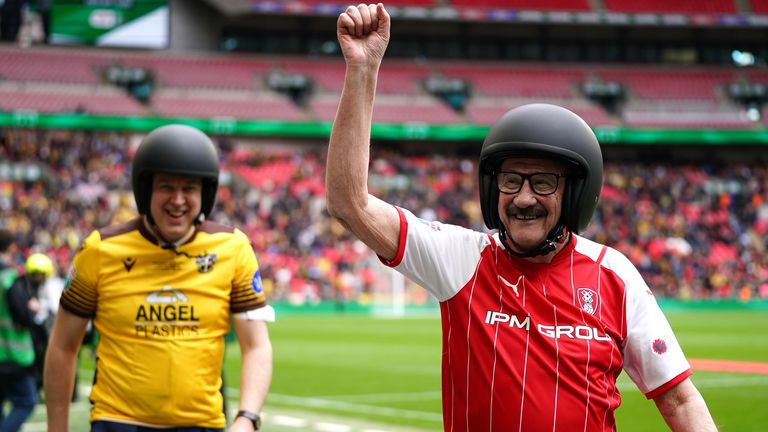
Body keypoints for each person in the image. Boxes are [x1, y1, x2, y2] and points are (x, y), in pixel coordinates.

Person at [326, 4, 717, 431]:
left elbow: (678, 400)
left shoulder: (614, 276)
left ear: (575, 194)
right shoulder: (460, 260)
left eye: (544, 183)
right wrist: (362, 71)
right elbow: (350, 202)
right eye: (511, 180)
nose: (523, 198)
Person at [44, 124, 274, 432]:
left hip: (201, 424)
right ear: (145, 189)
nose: (178, 200)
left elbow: (256, 345)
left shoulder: (233, 249)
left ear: (204, 193)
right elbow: (62, 345)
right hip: (118, 423)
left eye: (189, 189)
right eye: (166, 186)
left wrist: (247, 418)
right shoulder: (100, 250)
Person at [0, 242, 51, 432]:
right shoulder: (9, 279)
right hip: (13, 356)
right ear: (11, 249)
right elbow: (23, 317)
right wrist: (32, 312)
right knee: (27, 401)